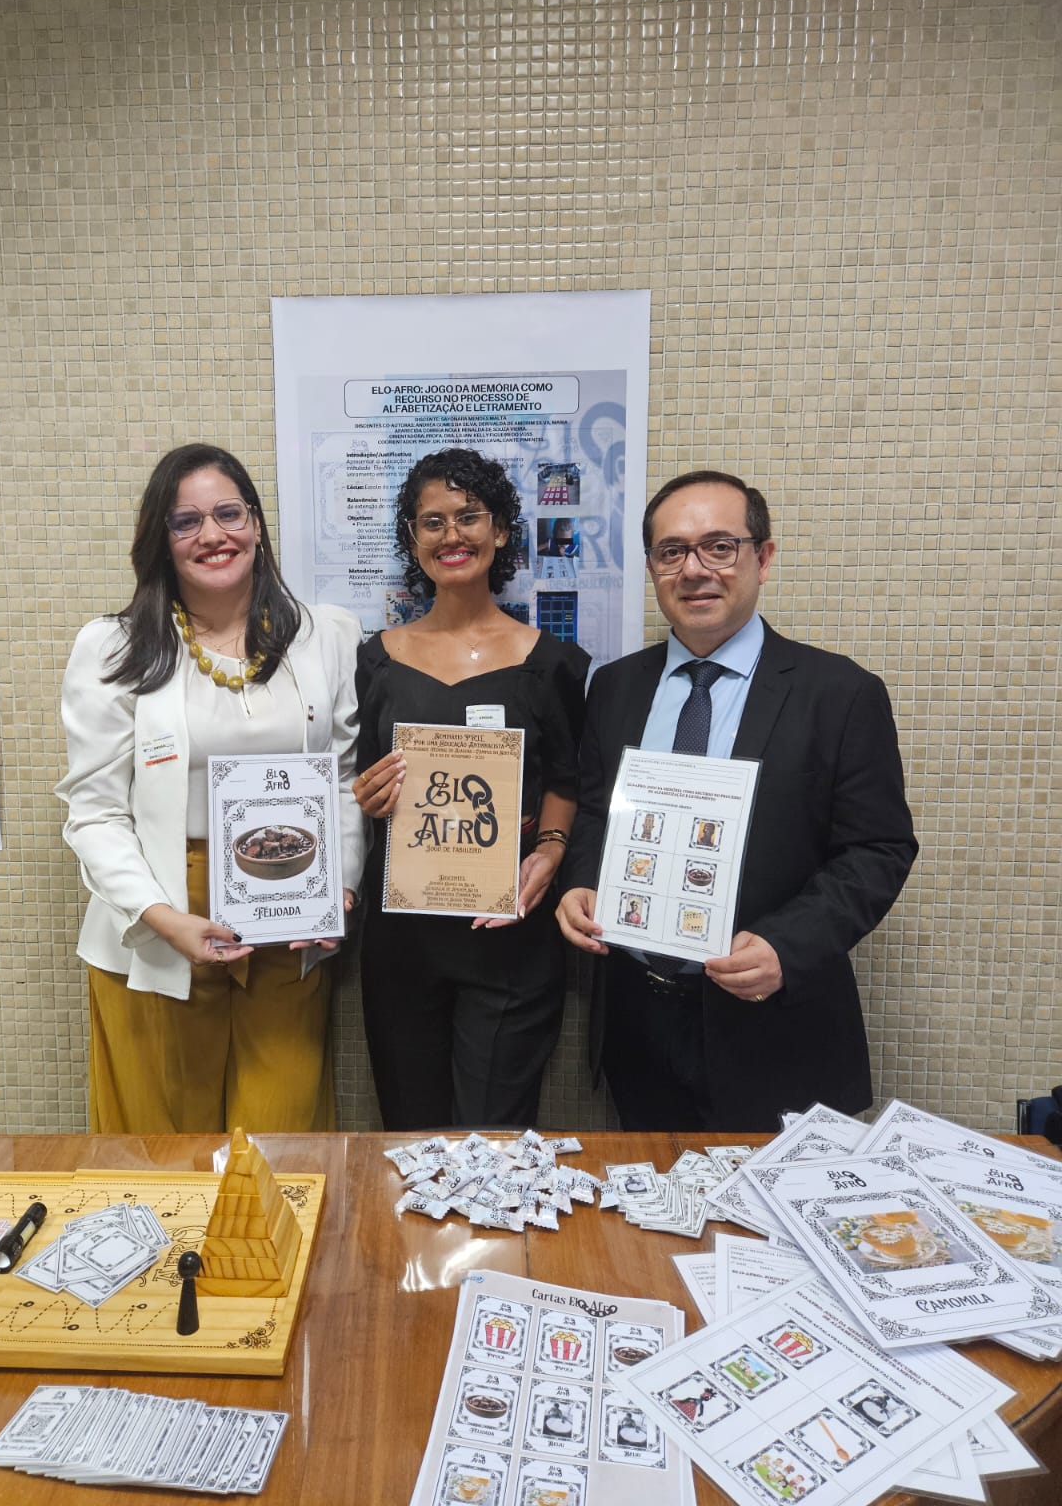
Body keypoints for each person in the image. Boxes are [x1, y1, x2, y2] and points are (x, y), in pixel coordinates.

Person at [557, 469, 917, 1132]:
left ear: (764, 557)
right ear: (652, 566)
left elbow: (879, 850)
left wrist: (786, 946)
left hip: (774, 1029)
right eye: (672, 551)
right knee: (653, 1195)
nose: (695, 569)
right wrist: (581, 880)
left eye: (719, 547)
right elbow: (596, 812)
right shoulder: (614, 688)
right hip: (637, 1023)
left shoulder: (839, 693)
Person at [57, 443, 364, 1135]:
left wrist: (337, 887)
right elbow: (94, 813)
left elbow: (343, 778)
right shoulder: (112, 648)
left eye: (229, 513)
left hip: (290, 911)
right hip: (162, 917)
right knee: (162, 1151)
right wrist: (164, 918)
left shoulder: (325, 636)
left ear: (255, 522)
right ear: (160, 539)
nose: (213, 535)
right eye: (186, 521)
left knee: (280, 1144)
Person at [353, 448, 589, 1130]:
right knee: (411, 1134)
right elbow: (359, 780)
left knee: (496, 1138)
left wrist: (550, 850)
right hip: (402, 939)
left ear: (502, 530)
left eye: (470, 516)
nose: (451, 535)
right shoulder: (376, 660)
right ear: (411, 539)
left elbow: (569, 779)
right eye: (432, 522)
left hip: (509, 935)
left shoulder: (551, 662)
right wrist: (367, 797)